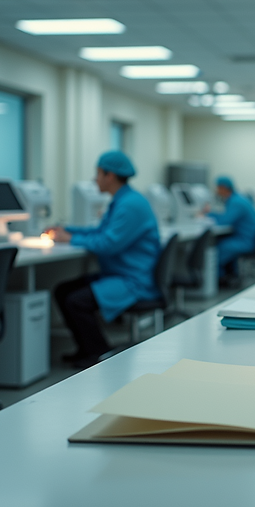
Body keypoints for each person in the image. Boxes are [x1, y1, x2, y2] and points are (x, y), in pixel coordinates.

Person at [47, 151, 161, 368]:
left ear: (110, 176)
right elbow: (100, 231)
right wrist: (67, 230)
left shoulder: (129, 205)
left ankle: (100, 353)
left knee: (75, 301)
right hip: (120, 273)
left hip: (132, 280)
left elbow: (108, 244)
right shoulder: (123, 200)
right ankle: (86, 349)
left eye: (98, 173)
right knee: (63, 291)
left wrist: (69, 239)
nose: (94, 179)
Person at [207, 176, 255, 282]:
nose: (216, 191)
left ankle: (219, 279)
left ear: (223, 188)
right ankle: (228, 275)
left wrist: (208, 213)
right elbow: (226, 217)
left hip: (245, 241)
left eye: (217, 188)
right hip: (247, 237)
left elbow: (224, 221)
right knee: (220, 241)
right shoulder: (238, 198)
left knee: (218, 248)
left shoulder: (236, 202)